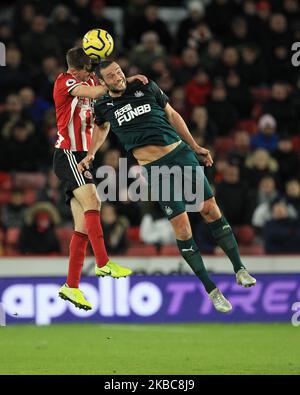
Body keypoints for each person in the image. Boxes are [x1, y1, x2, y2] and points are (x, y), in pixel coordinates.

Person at [78, 60, 257, 313]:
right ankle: (212, 290)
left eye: (119, 72)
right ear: (102, 81)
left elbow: (172, 114)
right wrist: (91, 154)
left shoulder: (144, 85)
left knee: (209, 209)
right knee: (183, 229)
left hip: (180, 155)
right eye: (111, 75)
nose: (118, 77)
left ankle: (240, 269)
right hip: (156, 170)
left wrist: (195, 147)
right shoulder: (103, 105)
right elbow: (101, 128)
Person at [53, 48, 147, 310]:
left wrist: (93, 153)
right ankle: (104, 263)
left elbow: (102, 124)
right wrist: (121, 81)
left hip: (83, 155)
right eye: (88, 71)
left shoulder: (92, 80)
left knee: (83, 225)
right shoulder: (65, 82)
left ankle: (71, 287)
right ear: (76, 70)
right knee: (94, 202)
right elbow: (95, 93)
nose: (92, 75)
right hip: (67, 153)